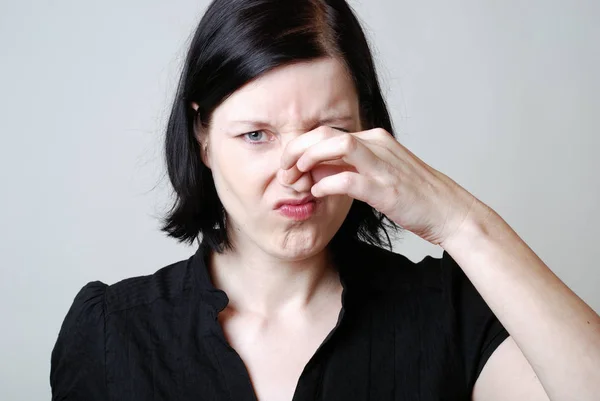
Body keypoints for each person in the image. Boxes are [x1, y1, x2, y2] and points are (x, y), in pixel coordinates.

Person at [50, 0, 600, 400]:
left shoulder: (450, 316)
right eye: (256, 135)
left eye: (328, 131)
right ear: (203, 137)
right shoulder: (109, 334)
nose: (296, 171)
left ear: (367, 129)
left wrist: (459, 222)